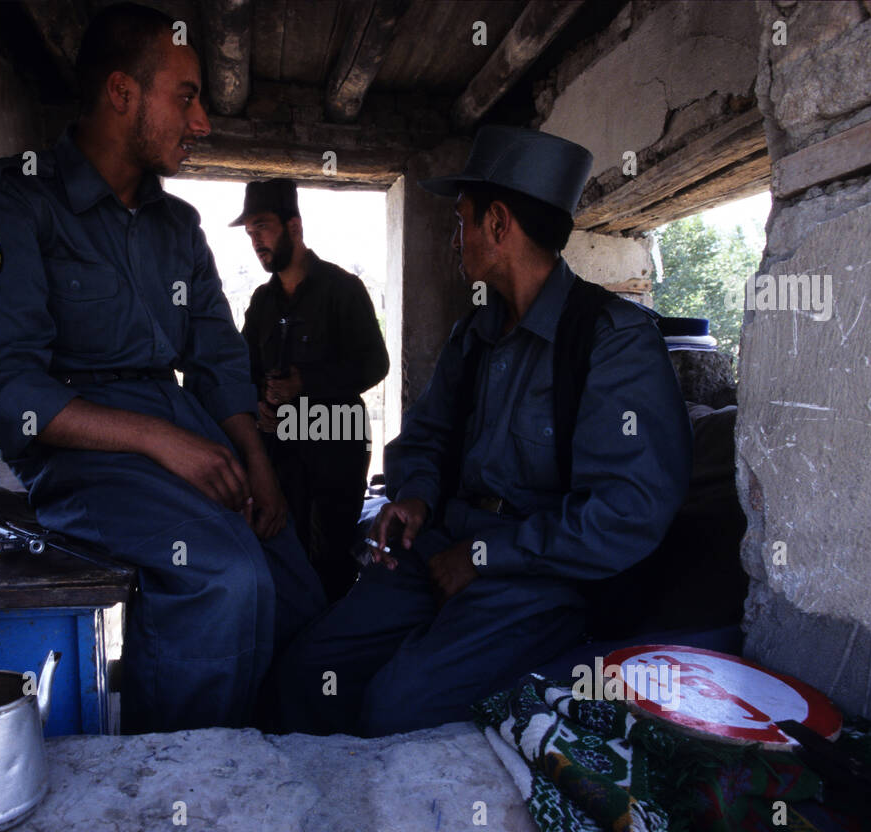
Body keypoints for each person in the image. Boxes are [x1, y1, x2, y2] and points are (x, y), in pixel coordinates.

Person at [0, 2, 326, 735]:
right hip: (81, 451)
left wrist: (255, 458)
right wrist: (157, 439)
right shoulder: (7, 201)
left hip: (179, 425)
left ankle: (270, 764)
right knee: (222, 579)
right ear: (121, 94)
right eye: (186, 96)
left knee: (295, 589)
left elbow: (213, 353)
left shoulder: (177, 226)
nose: (202, 122)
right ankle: (179, 786)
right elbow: (3, 389)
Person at [276, 126, 693, 737]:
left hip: (539, 581)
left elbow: (627, 510)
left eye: (462, 221)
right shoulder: (473, 336)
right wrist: (414, 496)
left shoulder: (613, 340)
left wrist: (487, 555)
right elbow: (424, 437)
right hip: (442, 548)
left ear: (499, 225)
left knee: (398, 711)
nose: (454, 239)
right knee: (306, 674)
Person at [234, 180, 389, 602]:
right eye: (250, 233)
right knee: (282, 552)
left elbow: (375, 364)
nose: (256, 241)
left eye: (263, 227)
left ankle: (329, 652)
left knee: (332, 561)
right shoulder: (261, 304)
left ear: (294, 227)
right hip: (278, 451)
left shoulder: (343, 290)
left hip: (335, 443)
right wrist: (257, 407)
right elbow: (243, 372)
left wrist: (307, 383)